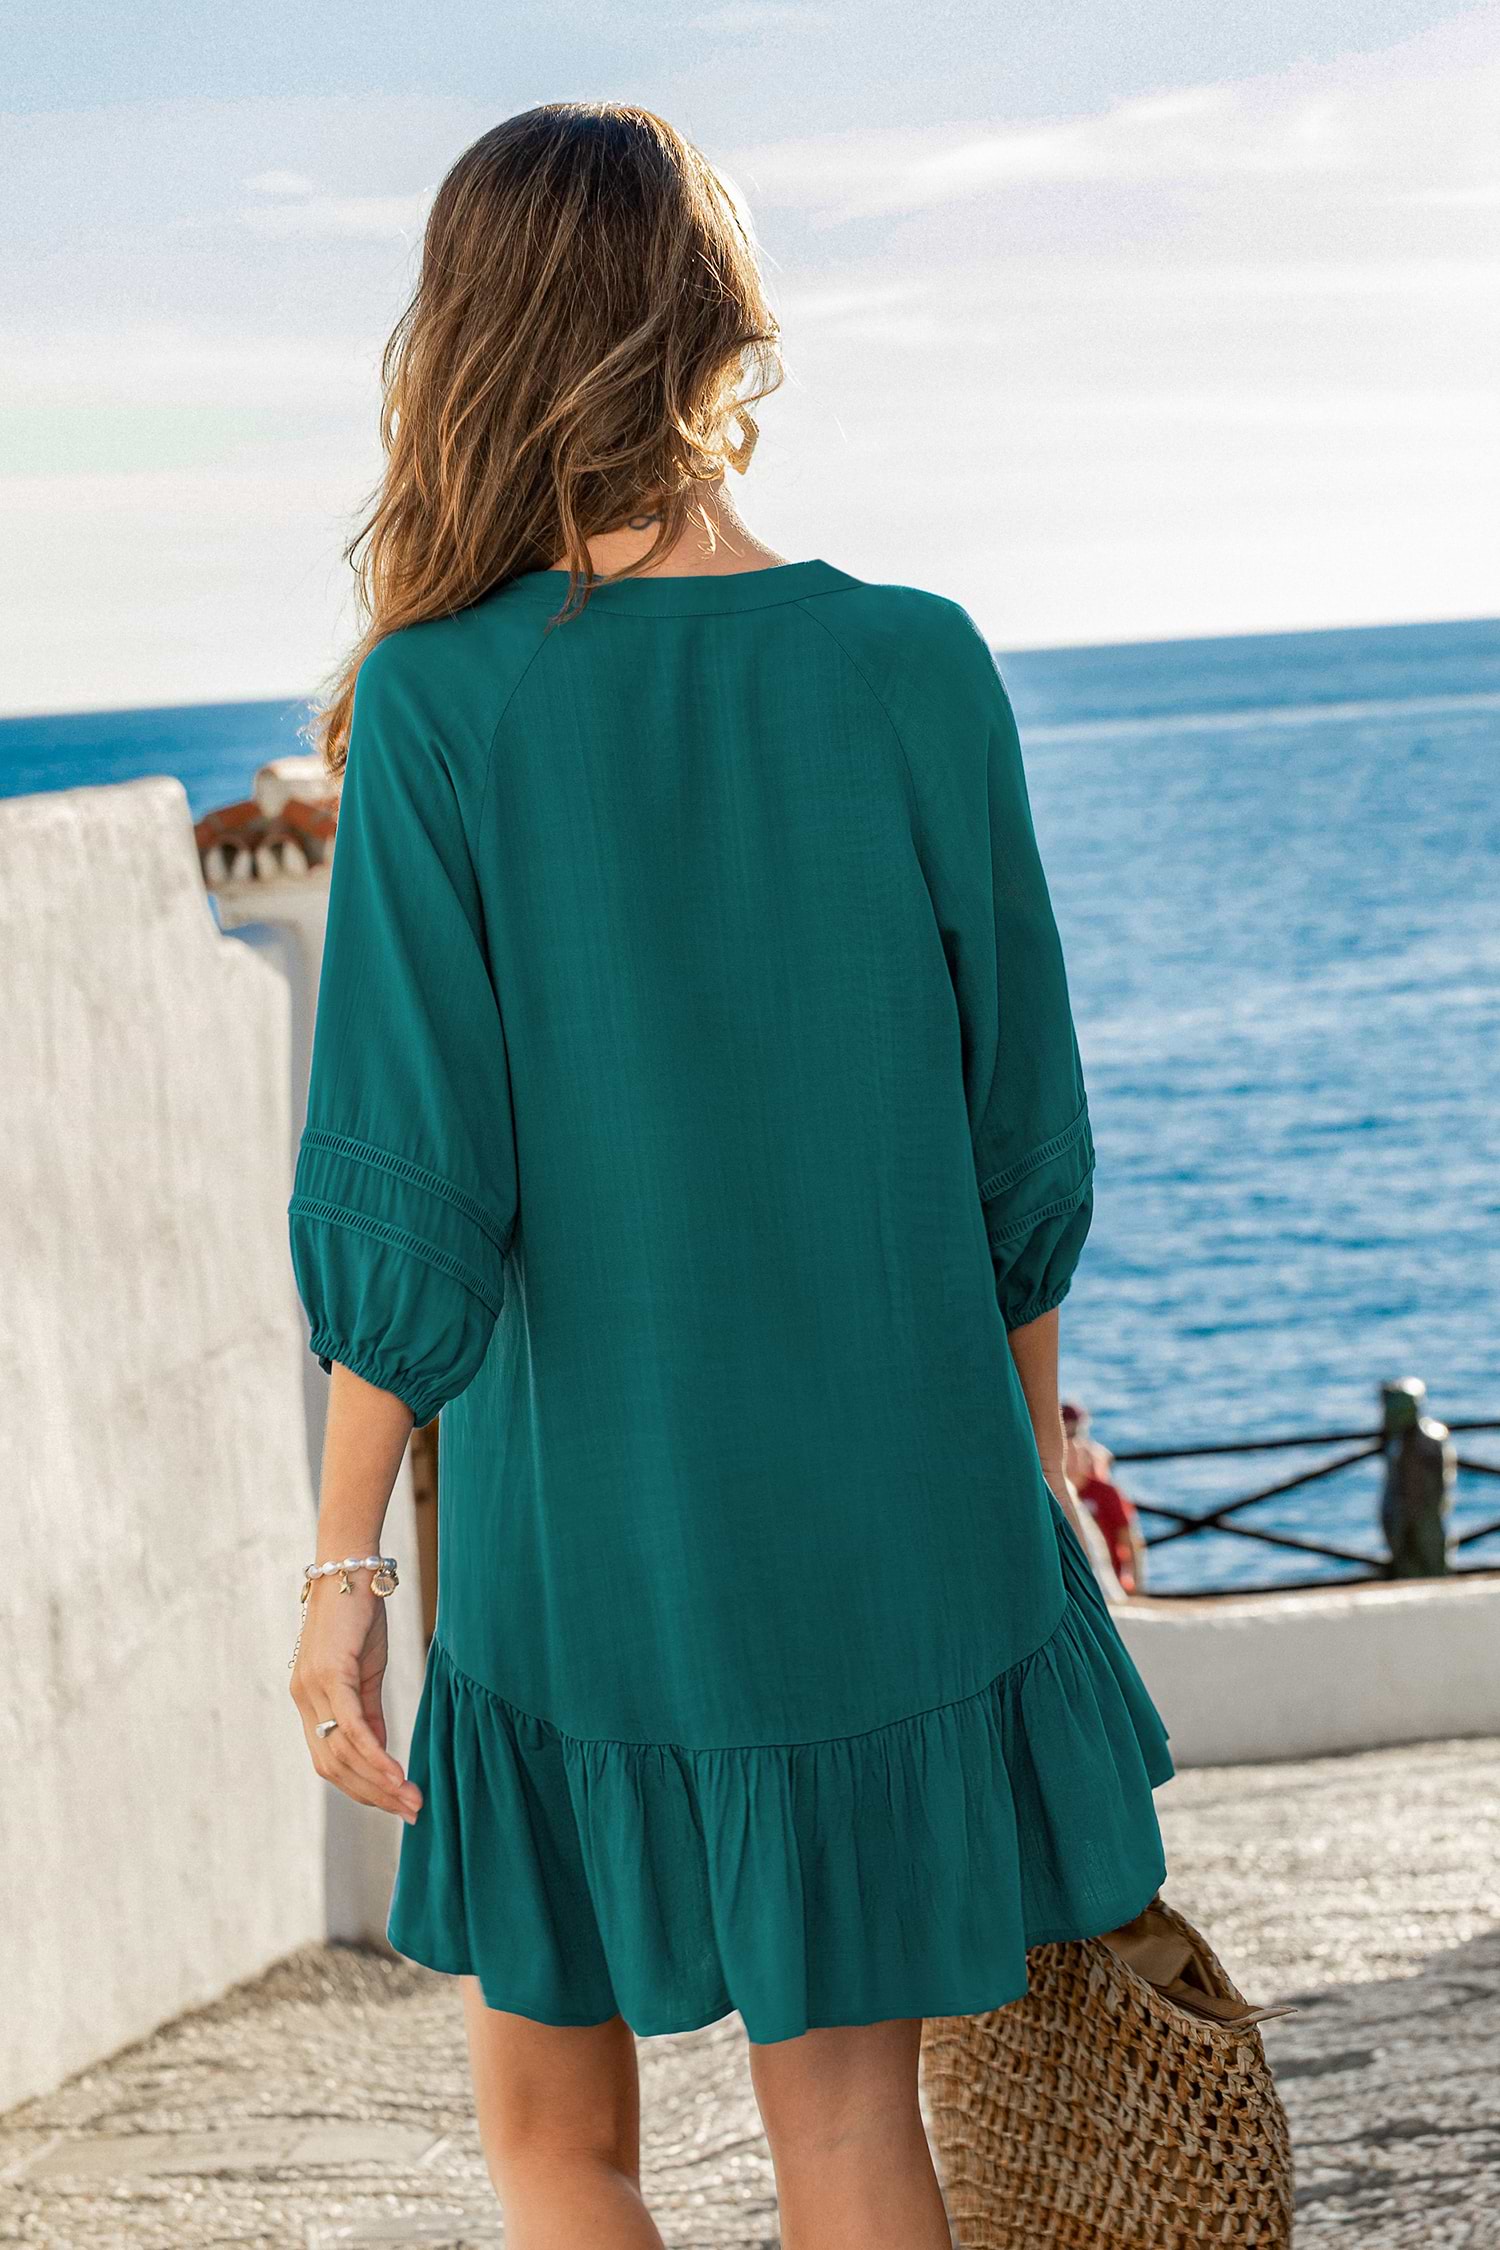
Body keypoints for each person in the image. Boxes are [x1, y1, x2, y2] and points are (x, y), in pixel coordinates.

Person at [286, 101, 1172, 2250]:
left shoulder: (440, 705)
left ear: (469, 340)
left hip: (596, 1544)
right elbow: (1020, 1152)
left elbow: (410, 1186)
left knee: (555, 2142)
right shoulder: (916, 662)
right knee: (855, 2137)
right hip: (893, 1518)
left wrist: (343, 1573)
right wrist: (1032, 1459)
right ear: (719, 325)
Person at [1063, 1401, 1148, 1596]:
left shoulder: (1104, 1490)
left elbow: (1130, 1540)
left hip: (1108, 1583)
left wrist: (1135, 1587)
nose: (1072, 1446)